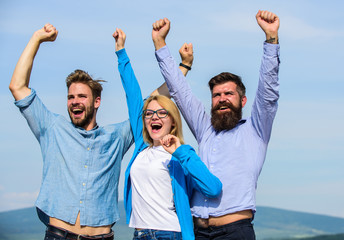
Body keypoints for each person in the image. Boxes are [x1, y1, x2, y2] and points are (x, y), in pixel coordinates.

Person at [152, 10, 280, 239]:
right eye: (216, 95)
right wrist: (160, 44)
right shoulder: (206, 130)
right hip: (198, 231)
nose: (222, 99)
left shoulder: (256, 130)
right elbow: (180, 92)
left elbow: (268, 92)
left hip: (235, 231)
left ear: (242, 101)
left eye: (228, 94)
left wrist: (271, 39)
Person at [9, 24, 133, 239]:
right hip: (59, 235)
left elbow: (152, 106)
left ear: (97, 102)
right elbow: (18, 87)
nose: (74, 101)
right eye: (70, 97)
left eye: (81, 96)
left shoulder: (116, 137)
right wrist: (37, 38)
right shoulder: (52, 127)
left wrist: (182, 67)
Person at [113, 28, 222, 240]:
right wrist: (121, 52)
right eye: (150, 114)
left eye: (162, 113)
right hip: (140, 234)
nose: (154, 117)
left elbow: (213, 188)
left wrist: (181, 152)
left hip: (169, 234)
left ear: (172, 121)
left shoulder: (180, 154)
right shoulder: (142, 147)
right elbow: (133, 95)